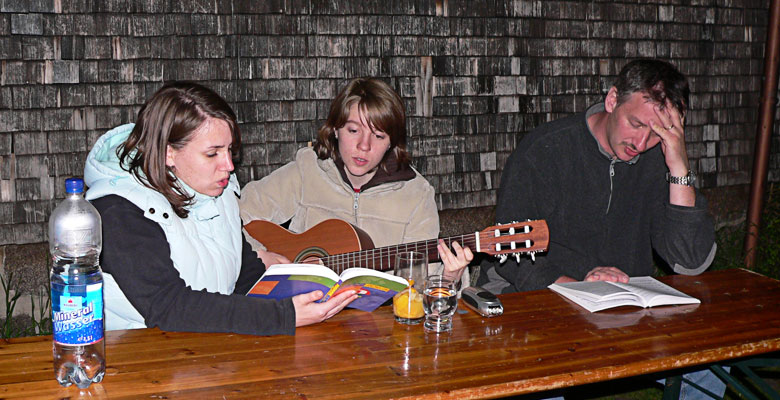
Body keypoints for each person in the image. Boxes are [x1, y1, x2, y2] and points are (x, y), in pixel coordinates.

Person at [478, 59, 722, 398]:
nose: (641, 141)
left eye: (658, 133)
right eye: (635, 123)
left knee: (711, 364)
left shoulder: (658, 160)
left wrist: (678, 165)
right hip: (540, 297)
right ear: (612, 100)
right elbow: (512, 254)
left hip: (624, 308)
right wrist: (579, 288)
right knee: (540, 376)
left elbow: (690, 261)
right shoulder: (547, 149)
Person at [83, 81, 357, 336]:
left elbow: (244, 276)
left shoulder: (219, 192)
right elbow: (168, 306)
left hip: (208, 351)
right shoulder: (119, 211)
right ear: (168, 152)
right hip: (139, 358)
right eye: (212, 153)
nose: (228, 165)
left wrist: (309, 292)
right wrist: (283, 315)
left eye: (230, 151)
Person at [239, 78, 472, 282]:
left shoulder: (417, 195)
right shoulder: (306, 170)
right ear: (336, 129)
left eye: (378, 136)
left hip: (377, 325)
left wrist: (448, 278)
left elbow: (417, 290)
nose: (364, 146)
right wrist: (260, 255)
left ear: (391, 142)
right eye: (353, 131)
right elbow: (235, 215)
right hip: (302, 313)